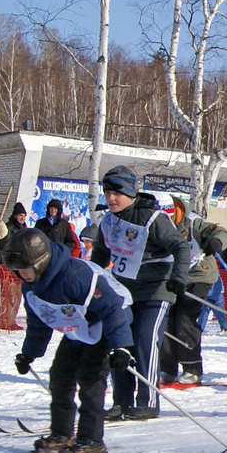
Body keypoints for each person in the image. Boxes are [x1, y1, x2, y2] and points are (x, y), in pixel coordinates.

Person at [5, 228, 136, 453]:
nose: (22, 274)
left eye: (25, 268)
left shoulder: (75, 275)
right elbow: (40, 321)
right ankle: (62, 434)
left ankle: (91, 439)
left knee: (90, 379)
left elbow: (112, 307)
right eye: (17, 270)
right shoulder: (31, 287)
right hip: (77, 328)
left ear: (41, 261)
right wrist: (29, 354)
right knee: (60, 376)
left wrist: (121, 347)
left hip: (105, 326)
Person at [91, 167, 189, 420]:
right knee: (120, 343)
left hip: (156, 289)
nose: (111, 198)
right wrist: (90, 282)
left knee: (145, 341)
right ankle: (121, 402)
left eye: (117, 193)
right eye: (107, 193)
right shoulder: (108, 221)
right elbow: (100, 256)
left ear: (130, 193)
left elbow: (180, 246)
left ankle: (148, 401)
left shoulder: (152, 218)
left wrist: (178, 278)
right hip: (124, 291)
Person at [159, 196, 227, 385]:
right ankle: (167, 367)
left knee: (184, 318)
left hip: (198, 276)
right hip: (173, 277)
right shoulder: (156, 223)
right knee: (165, 320)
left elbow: (220, 231)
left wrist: (217, 241)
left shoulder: (192, 222)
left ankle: (192, 367)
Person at [0, 202, 28, 329]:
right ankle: (5, 321)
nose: (22, 218)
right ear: (15, 216)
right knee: (8, 294)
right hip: (9, 266)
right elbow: (3, 247)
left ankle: (12, 320)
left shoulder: (24, 227)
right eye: (20, 215)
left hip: (19, 266)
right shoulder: (8, 227)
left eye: (24, 215)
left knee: (17, 294)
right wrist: (7, 262)